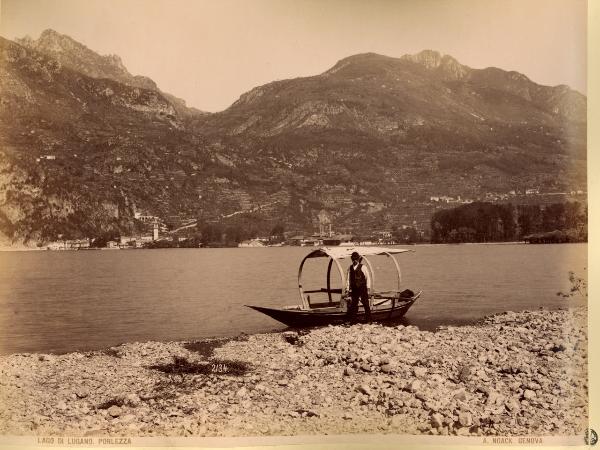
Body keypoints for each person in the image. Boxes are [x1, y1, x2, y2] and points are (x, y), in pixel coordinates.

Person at [345, 251, 372, 323]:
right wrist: (347, 289)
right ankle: (353, 320)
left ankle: (368, 319)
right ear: (352, 259)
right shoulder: (350, 268)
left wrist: (368, 288)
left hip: (362, 288)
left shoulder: (363, 267)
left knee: (365, 303)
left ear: (358, 259)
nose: (354, 261)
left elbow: (368, 278)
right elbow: (348, 279)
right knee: (354, 304)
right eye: (353, 259)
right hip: (354, 289)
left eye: (356, 259)